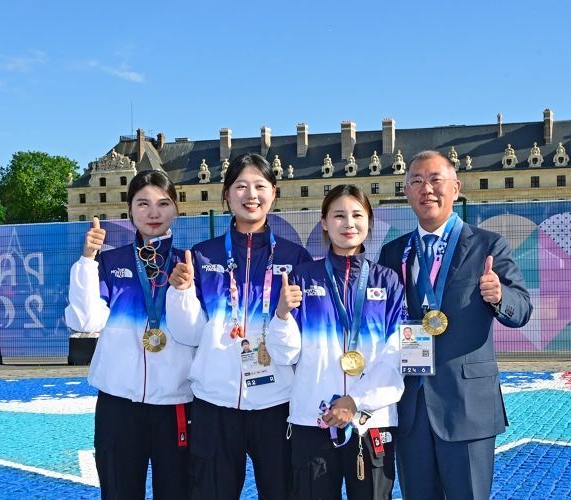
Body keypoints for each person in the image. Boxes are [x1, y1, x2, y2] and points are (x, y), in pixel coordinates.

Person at [378, 150, 532, 499]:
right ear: (406, 192)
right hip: (411, 408)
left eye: (435, 180)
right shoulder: (393, 253)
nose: (426, 189)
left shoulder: (488, 245)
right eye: (416, 181)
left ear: (456, 187)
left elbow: (522, 308)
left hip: (467, 406)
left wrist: (498, 296)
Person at [165, 153, 312, 500]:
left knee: (282, 492)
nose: (251, 194)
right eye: (241, 186)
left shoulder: (295, 258)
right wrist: (181, 293)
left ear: (273, 193)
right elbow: (188, 334)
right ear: (227, 195)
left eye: (260, 186)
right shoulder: (201, 256)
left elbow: (300, 340)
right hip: (215, 403)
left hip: (276, 403)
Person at [268, 184, 405, 500]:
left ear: (368, 221)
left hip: (371, 422)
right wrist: (282, 315)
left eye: (357, 215)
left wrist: (355, 401)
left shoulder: (387, 281)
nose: (349, 224)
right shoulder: (303, 277)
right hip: (313, 420)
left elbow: (395, 353)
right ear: (325, 223)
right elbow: (285, 354)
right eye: (339, 215)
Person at [65, 170, 193, 499]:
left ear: (177, 209)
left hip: (175, 404)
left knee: (177, 491)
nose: (153, 213)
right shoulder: (110, 262)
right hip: (118, 406)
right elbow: (86, 320)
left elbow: (197, 333)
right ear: (129, 209)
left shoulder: (189, 264)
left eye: (163, 203)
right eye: (143, 203)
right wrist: (87, 261)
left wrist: (185, 291)